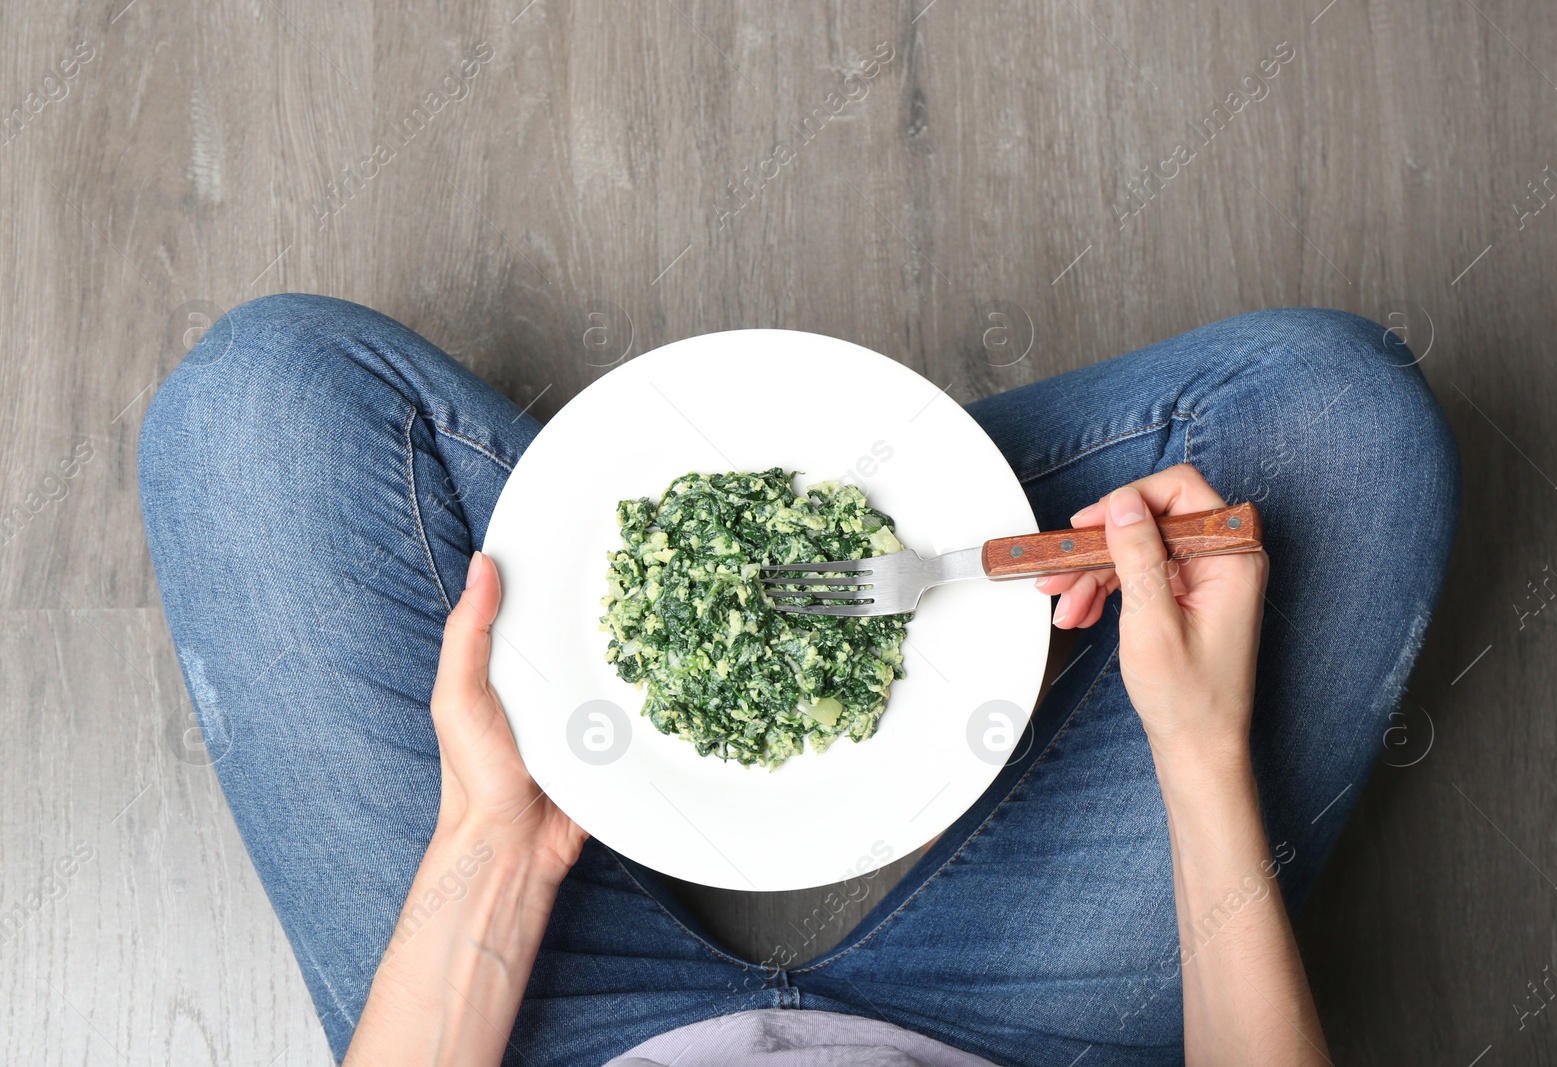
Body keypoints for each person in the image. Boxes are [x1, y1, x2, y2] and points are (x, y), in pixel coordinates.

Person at [138, 295, 1458, 1066]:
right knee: (1338, 422)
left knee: (259, 408)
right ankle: (921, 492)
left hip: (559, 1036)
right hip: (1015, 1037)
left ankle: (708, 503)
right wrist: (1196, 754)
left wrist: (495, 850)